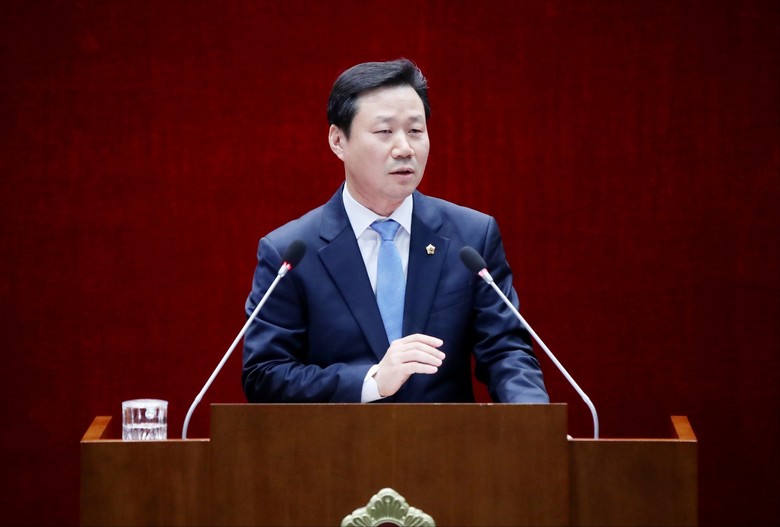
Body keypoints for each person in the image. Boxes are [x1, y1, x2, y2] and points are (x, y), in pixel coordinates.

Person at [242, 58, 549, 403]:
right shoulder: (291, 253)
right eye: (385, 132)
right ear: (338, 140)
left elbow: (507, 350)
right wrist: (372, 381)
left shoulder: (472, 237)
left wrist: (533, 418)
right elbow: (264, 375)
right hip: (338, 438)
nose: (404, 149)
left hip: (447, 437)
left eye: (415, 131)